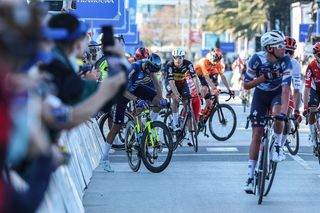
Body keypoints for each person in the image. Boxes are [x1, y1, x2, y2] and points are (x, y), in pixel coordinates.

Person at [243, 30, 292, 194]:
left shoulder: (286, 61)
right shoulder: (256, 60)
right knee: (257, 134)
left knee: (279, 115)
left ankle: (278, 145)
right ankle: (250, 176)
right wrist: (263, 78)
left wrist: (284, 115)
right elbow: (246, 85)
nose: (284, 48)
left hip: (278, 93)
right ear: (270, 48)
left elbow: (286, 90)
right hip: (260, 95)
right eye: (280, 45)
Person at [102, 53, 165, 172]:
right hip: (122, 93)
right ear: (147, 65)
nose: (151, 74)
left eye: (153, 72)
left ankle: (146, 125)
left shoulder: (151, 70)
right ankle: (104, 158)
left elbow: (157, 85)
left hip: (136, 88)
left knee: (157, 101)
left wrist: (161, 100)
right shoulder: (134, 67)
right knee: (116, 127)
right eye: (150, 71)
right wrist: (137, 100)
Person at [166, 48, 201, 132]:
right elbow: (171, 82)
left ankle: (190, 133)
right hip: (171, 84)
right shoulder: (170, 65)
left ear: (183, 57)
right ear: (173, 58)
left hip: (182, 83)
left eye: (180, 58)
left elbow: (195, 78)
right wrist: (177, 94)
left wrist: (198, 91)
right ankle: (175, 123)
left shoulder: (188, 64)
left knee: (187, 105)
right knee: (175, 99)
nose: (177, 60)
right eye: (175, 58)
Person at [195, 48, 234, 118]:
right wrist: (215, 89)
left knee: (209, 104)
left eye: (218, 60)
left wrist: (229, 89)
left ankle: (201, 118)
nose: (216, 62)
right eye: (215, 60)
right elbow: (207, 78)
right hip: (195, 76)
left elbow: (223, 77)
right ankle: (195, 106)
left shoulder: (217, 63)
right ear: (211, 56)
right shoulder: (203, 61)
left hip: (203, 77)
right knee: (205, 89)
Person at [281, 36, 302, 147]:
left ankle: (280, 146)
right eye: (286, 51)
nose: (288, 54)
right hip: (272, 90)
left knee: (286, 116)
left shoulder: (295, 65)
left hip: (286, 91)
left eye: (291, 52)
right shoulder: (274, 59)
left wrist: (297, 111)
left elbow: (297, 90)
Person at [303, 42, 320, 147]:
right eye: (319, 54)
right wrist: (305, 107)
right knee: (312, 110)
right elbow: (307, 89)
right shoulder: (311, 66)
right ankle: (312, 132)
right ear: (315, 55)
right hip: (314, 90)